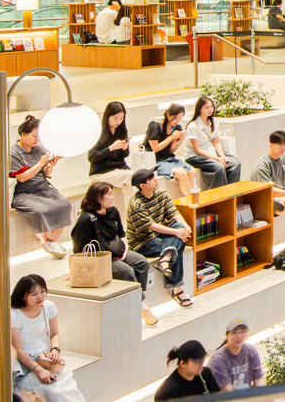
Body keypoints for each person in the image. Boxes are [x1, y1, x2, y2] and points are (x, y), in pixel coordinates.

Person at [10, 274, 110, 402]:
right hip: (26, 367)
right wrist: (38, 369)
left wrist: (55, 350)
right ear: (22, 296)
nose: (40, 296)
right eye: (34, 294)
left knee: (70, 387)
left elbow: (54, 333)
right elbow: (18, 351)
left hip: (46, 360)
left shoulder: (48, 307)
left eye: (42, 291)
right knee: (54, 392)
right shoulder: (14, 315)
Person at [73, 181, 159, 327]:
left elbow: (121, 233)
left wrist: (125, 250)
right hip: (102, 259)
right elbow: (79, 248)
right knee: (126, 271)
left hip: (118, 251)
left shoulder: (113, 211)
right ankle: (142, 307)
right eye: (109, 194)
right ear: (98, 198)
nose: (112, 197)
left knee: (141, 263)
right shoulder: (85, 220)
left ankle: (136, 301)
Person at [128, 168, 195, 308]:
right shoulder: (136, 203)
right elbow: (151, 226)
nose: (155, 179)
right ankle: (177, 289)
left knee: (178, 229)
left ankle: (165, 258)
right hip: (142, 242)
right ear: (142, 185)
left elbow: (173, 213)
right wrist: (177, 233)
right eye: (151, 179)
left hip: (159, 235)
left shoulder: (162, 194)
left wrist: (186, 227)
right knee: (177, 243)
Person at [8, 115, 72, 258]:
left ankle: (54, 241)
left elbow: (46, 174)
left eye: (39, 137)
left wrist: (49, 166)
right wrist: (40, 163)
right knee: (40, 210)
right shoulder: (14, 153)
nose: (36, 140)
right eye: (34, 136)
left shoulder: (39, 149)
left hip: (42, 187)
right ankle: (44, 240)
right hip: (23, 192)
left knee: (64, 205)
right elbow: (22, 178)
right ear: (23, 134)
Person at [88, 101, 137, 214]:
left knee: (133, 181)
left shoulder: (121, 131)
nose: (118, 121)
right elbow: (92, 157)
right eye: (115, 118)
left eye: (121, 118)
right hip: (100, 173)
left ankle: (132, 215)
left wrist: (125, 148)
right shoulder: (98, 133)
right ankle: (134, 215)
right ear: (107, 117)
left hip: (117, 171)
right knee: (131, 177)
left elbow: (124, 156)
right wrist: (111, 148)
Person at [145, 104, 203, 198]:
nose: (177, 121)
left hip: (170, 159)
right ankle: (191, 200)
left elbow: (171, 150)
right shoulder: (155, 126)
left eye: (180, 118)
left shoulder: (176, 128)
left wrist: (179, 141)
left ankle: (194, 198)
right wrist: (171, 137)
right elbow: (155, 148)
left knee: (192, 171)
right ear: (168, 115)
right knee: (182, 173)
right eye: (175, 118)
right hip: (156, 161)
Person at [185, 95, 241, 188]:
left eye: (211, 106)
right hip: (195, 156)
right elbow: (198, 150)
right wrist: (216, 159)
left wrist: (222, 155)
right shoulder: (193, 126)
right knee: (219, 167)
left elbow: (216, 142)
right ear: (199, 109)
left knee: (235, 164)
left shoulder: (214, 121)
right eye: (206, 107)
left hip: (212, 152)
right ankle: (218, 194)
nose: (210, 109)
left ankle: (231, 192)